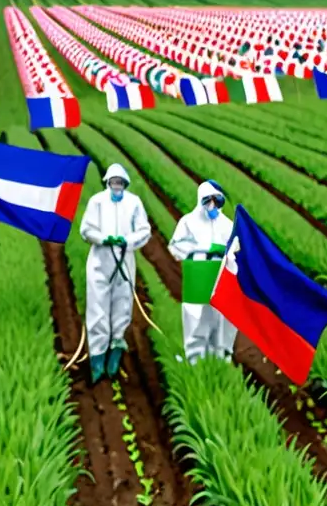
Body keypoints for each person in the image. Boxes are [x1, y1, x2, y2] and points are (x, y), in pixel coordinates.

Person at [79, 163, 151, 383]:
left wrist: (126, 241)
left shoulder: (134, 203)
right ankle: (97, 358)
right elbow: (86, 229)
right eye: (113, 182)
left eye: (120, 182)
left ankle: (116, 346)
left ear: (125, 183)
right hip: (100, 261)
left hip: (124, 260)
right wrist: (103, 239)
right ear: (108, 182)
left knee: (122, 304)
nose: (117, 186)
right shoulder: (97, 202)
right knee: (97, 307)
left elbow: (144, 230)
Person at [168, 180, 237, 364]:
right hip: (197, 276)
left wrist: (223, 251)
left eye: (216, 201)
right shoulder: (188, 222)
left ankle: (221, 360)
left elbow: (237, 249)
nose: (212, 205)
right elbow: (175, 247)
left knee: (221, 321)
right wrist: (201, 248)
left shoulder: (227, 225)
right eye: (208, 201)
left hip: (219, 275)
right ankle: (194, 360)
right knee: (195, 317)